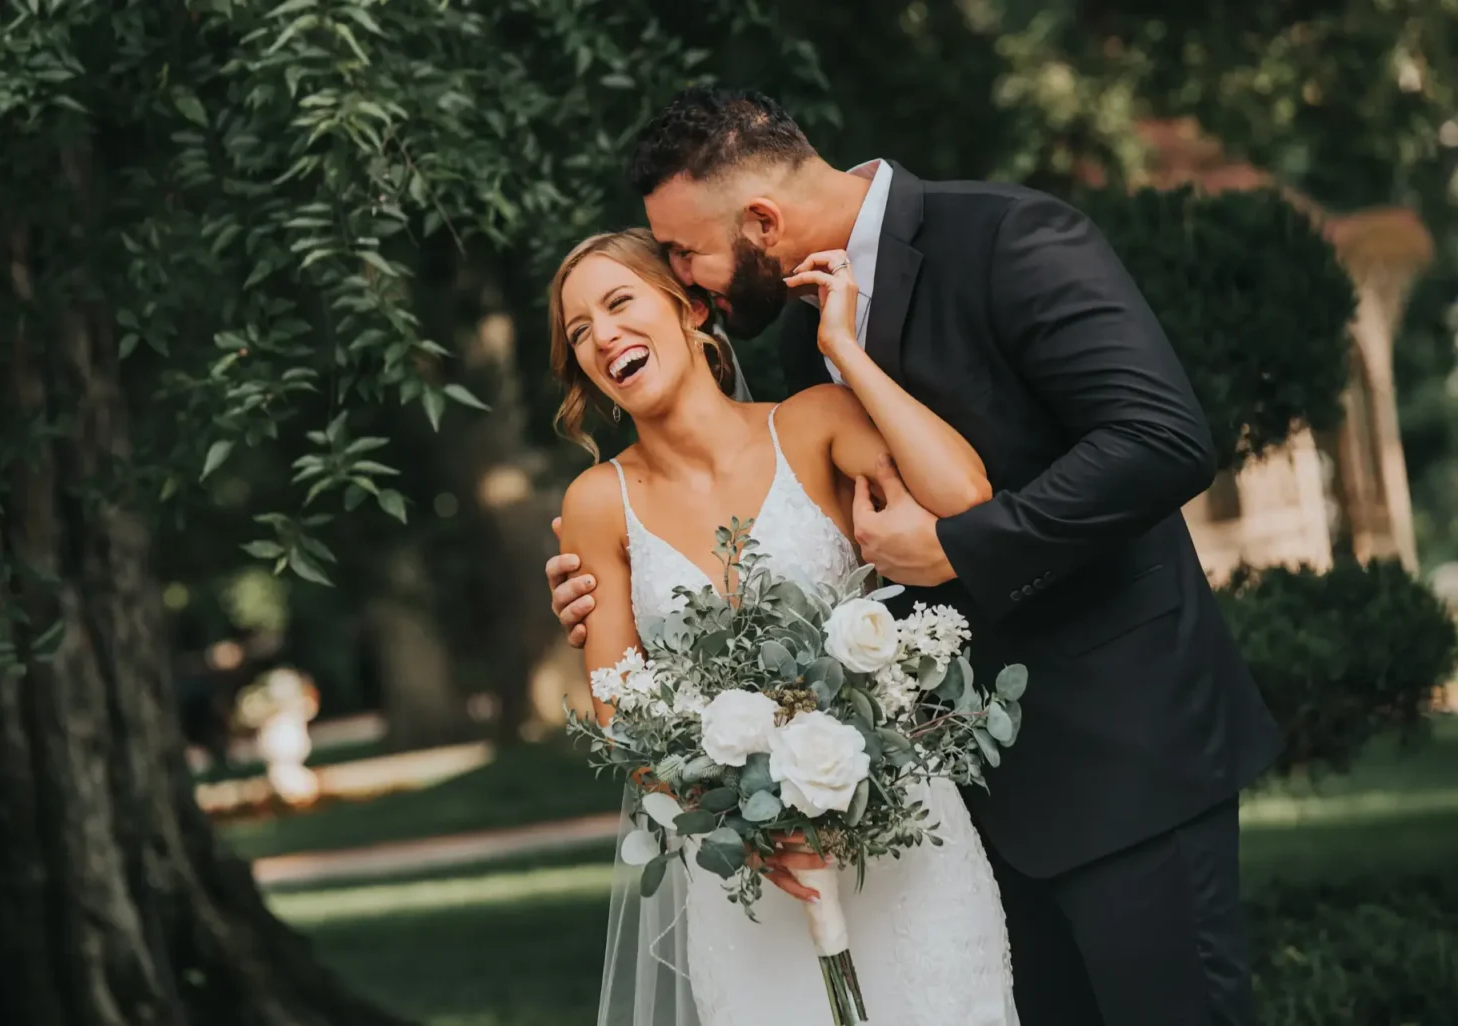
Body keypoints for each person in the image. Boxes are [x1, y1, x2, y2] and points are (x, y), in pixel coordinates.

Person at [548, 88, 1283, 1026]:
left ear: (762, 220)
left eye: (687, 256)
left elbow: (1159, 439)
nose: (690, 284)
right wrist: (619, 590)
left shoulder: (1010, 235)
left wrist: (959, 549)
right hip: (948, 813)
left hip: (1122, 756)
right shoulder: (801, 338)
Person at [552, 227, 1018, 1024]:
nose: (603, 337)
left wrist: (846, 350)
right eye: (579, 332)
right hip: (749, 879)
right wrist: (742, 822)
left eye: (619, 302)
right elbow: (618, 714)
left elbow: (965, 498)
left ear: (691, 307)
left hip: (901, 847)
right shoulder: (598, 502)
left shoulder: (816, 423)